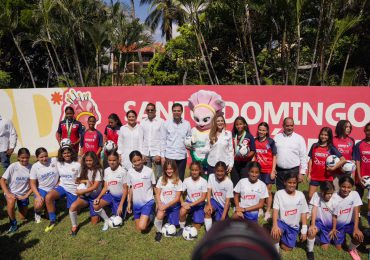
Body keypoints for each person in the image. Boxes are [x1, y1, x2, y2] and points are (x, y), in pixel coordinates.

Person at [44, 146, 81, 232]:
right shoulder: (58, 163)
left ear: (72, 153)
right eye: (64, 153)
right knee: (48, 197)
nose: (66, 154)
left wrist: (79, 191)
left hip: (73, 189)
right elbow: (45, 158)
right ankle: (53, 219)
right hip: (62, 186)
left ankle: (79, 204)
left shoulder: (77, 165)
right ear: (61, 154)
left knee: (75, 211)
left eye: (68, 152)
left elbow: (80, 179)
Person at [271, 172, 308, 252]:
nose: (292, 185)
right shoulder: (279, 194)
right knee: (275, 233)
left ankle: (282, 239)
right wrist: (274, 225)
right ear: (285, 182)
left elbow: (304, 212)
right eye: (289, 182)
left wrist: (304, 230)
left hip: (293, 227)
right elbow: (275, 210)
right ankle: (276, 250)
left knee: (287, 249)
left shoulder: (300, 195)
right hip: (282, 223)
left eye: (294, 183)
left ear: (297, 183)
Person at [68, 152, 103, 236]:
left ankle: (98, 209)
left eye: (90, 160)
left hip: (94, 197)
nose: (88, 162)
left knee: (94, 222)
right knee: (73, 207)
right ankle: (74, 226)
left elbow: (94, 187)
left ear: (95, 160)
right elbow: (77, 180)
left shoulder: (99, 170)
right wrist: (85, 181)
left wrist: (81, 191)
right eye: (86, 160)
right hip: (86, 195)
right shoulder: (84, 168)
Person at [307, 127, 345, 201]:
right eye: (322, 134)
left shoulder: (331, 148)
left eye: (326, 135)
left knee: (326, 197)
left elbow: (343, 160)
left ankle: (324, 211)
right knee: (310, 196)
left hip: (326, 177)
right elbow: (311, 160)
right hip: (315, 176)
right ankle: (311, 211)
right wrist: (309, 173)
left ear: (329, 137)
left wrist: (333, 168)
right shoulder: (314, 146)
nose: (323, 136)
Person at [94, 151, 128, 231]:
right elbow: (106, 187)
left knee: (119, 218)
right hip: (110, 195)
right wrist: (98, 197)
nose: (112, 162)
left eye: (114, 160)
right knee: (96, 205)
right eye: (110, 160)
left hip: (120, 198)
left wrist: (121, 205)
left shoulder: (123, 171)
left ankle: (121, 208)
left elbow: (125, 189)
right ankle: (106, 220)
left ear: (118, 160)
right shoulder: (106, 170)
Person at [0, 148, 32, 233]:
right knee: (11, 201)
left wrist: (26, 195)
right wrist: (8, 193)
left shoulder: (31, 167)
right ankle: (13, 224)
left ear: (29, 157)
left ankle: (19, 207)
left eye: (27, 157)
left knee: (22, 217)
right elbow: (2, 180)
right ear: (18, 157)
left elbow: (33, 185)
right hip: (11, 193)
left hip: (23, 194)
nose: (24, 160)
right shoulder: (13, 166)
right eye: (22, 158)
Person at [331, 176, 363, 259]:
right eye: (343, 187)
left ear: (352, 187)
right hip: (338, 225)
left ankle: (351, 249)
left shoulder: (355, 194)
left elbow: (356, 212)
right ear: (339, 185)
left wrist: (356, 228)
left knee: (359, 237)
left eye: (349, 187)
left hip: (350, 224)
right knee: (339, 248)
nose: (346, 189)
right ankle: (334, 239)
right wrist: (333, 228)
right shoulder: (334, 197)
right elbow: (333, 216)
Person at [274, 117, 307, 190]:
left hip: (293, 171)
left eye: (291, 125)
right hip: (279, 171)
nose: (289, 128)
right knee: (280, 193)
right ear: (283, 126)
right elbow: (273, 155)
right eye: (287, 126)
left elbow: (303, 157)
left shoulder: (299, 138)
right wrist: (273, 168)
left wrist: (302, 173)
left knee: (292, 193)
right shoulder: (276, 137)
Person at [127, 150, 156, 232]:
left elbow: (154, 187)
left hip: (147, 202)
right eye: (134, 161)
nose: (137, 163)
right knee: (138, 228)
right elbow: (130, 188)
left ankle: (151, 216)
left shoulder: (149, 171)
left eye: (139, 160)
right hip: (136, 204)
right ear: (131, 162)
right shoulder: (129, 172)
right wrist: (129, 203)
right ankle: (148, 216)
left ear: (142, 159)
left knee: (142, 227)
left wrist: (158, 201)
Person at [160, 103, 191, 181]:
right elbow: (163, 140)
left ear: (182, 112)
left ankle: (179, 193)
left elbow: (189, 138)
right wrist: (162, 156)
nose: (176, 112)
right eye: (174, 111)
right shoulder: (166, 123)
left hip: (182, 156)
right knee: (169, 178)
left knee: (180, 179)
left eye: (178, 111)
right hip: (169, 156)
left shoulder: (187, 124)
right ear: (172, 112)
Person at [154, 159, 183, 242]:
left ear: (174, 169)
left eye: (171, 169)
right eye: (167, 169)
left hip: (173, 206)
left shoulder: (178, 181)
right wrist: (159, 204)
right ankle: (158, 231)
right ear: (164, 170)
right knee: (159, 215)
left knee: (174, 225)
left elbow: (177, 198)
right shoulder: (161, 179)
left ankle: (167, 217)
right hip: (163, 204)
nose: (169, 171)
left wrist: (166, 206)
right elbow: (158, 193)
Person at [254, 122, 277, 221]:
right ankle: (259, 209)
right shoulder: (254, 141)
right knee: (259, 190)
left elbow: (274, 156)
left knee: (268, 191)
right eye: (260, 130)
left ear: (267, 131)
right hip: (258, 171)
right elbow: (254, 154)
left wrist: (273, 171)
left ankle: (267, 210)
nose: (261, 132)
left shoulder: (271, 142)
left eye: (263, 130)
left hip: (268, 170)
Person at [30, 147, 59, 223]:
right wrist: (38, 196)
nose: (44, 158)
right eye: (41, 157)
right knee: (38, 205)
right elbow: (32, 184)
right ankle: (37, 213)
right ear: (37, 157)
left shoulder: (54, 160)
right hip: (42, 189)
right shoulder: (35, 167)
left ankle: (47, 207)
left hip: (54, 189)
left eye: (46, 156)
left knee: (48, 216)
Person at [307, 181, 335, 259]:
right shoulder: (316, 195)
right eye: (328, 193)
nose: (330, 195)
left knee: (324, 248)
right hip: (318, 222)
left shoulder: (334, 198)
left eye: (331, 193)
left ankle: (317, 237)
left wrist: (334, 228)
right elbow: (314, 209)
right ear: (322, 192)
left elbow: (336, 216)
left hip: (328, 226)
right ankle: (310, 251)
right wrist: (312, 224)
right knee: (312, 231)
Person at [204, 161, 234, 232]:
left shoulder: (229, 183)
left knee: (221, 228)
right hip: (214, 201)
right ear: (214, 170)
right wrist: (209, 204)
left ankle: (222, 218)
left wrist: (223, 217)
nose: (219, 173)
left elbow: (227, 202)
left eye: (221, 171)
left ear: (225, 171)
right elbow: (209, 192)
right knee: (208, 210)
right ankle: (209, 232)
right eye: (217, 171)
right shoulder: (211, 177)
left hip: (223, 206)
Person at [179, 161, 207, 233]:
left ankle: (196, 215)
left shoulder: (203, 181)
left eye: (196, 170)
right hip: (189, 202)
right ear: (190, 170)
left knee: (196, 227)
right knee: (182, 211)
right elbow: (180, 193)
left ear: (200, 170)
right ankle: (182, 228)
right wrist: (182, 202)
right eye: (192, 170)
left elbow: (203, 197)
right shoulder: (186, 180)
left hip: (199, 205)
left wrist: (191, 204)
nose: (194, 172)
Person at [141, 103, 164, 180]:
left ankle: (158, 192)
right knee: (147, 176)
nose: (150, 111)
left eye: (152, 110)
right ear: (146, 111)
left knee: (159, 176)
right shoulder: (142, 122)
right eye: (148, 110)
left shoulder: (161, 122)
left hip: (157, 153)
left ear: (155, 111)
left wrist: (160, 154)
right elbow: (141, 139)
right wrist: (142, 153)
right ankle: (150, 192)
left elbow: (163, 139)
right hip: (145, 153)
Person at [231, 116, 256, 186]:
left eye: (241, 124)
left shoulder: (249, 136)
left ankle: (243, 197)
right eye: (237, 124)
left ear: (245, 124)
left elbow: (253, 150)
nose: (239, 126)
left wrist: (246, 156)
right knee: (235, 184)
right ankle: (235, 197)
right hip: (234, 163)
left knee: (244, 183)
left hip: (245, 164)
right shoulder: (232, 136)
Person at [333, 120, 355, 190]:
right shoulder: (333, 139)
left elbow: (353, 157)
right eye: (346, 127)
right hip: (336, 172)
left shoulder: (351, 140)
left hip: (347, 172)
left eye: (349, 127)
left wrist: (352, 171)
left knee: (346, 193)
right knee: (335, 193)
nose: (348, 128)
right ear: (340, 127)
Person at [354, 122, 370, 199]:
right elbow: (357, 161)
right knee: (358, 198)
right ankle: (357, 211)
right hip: (361, 177)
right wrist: (359, 177)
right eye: (368, 130)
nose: (369, 132)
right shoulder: (359, 145)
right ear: (364, 131)